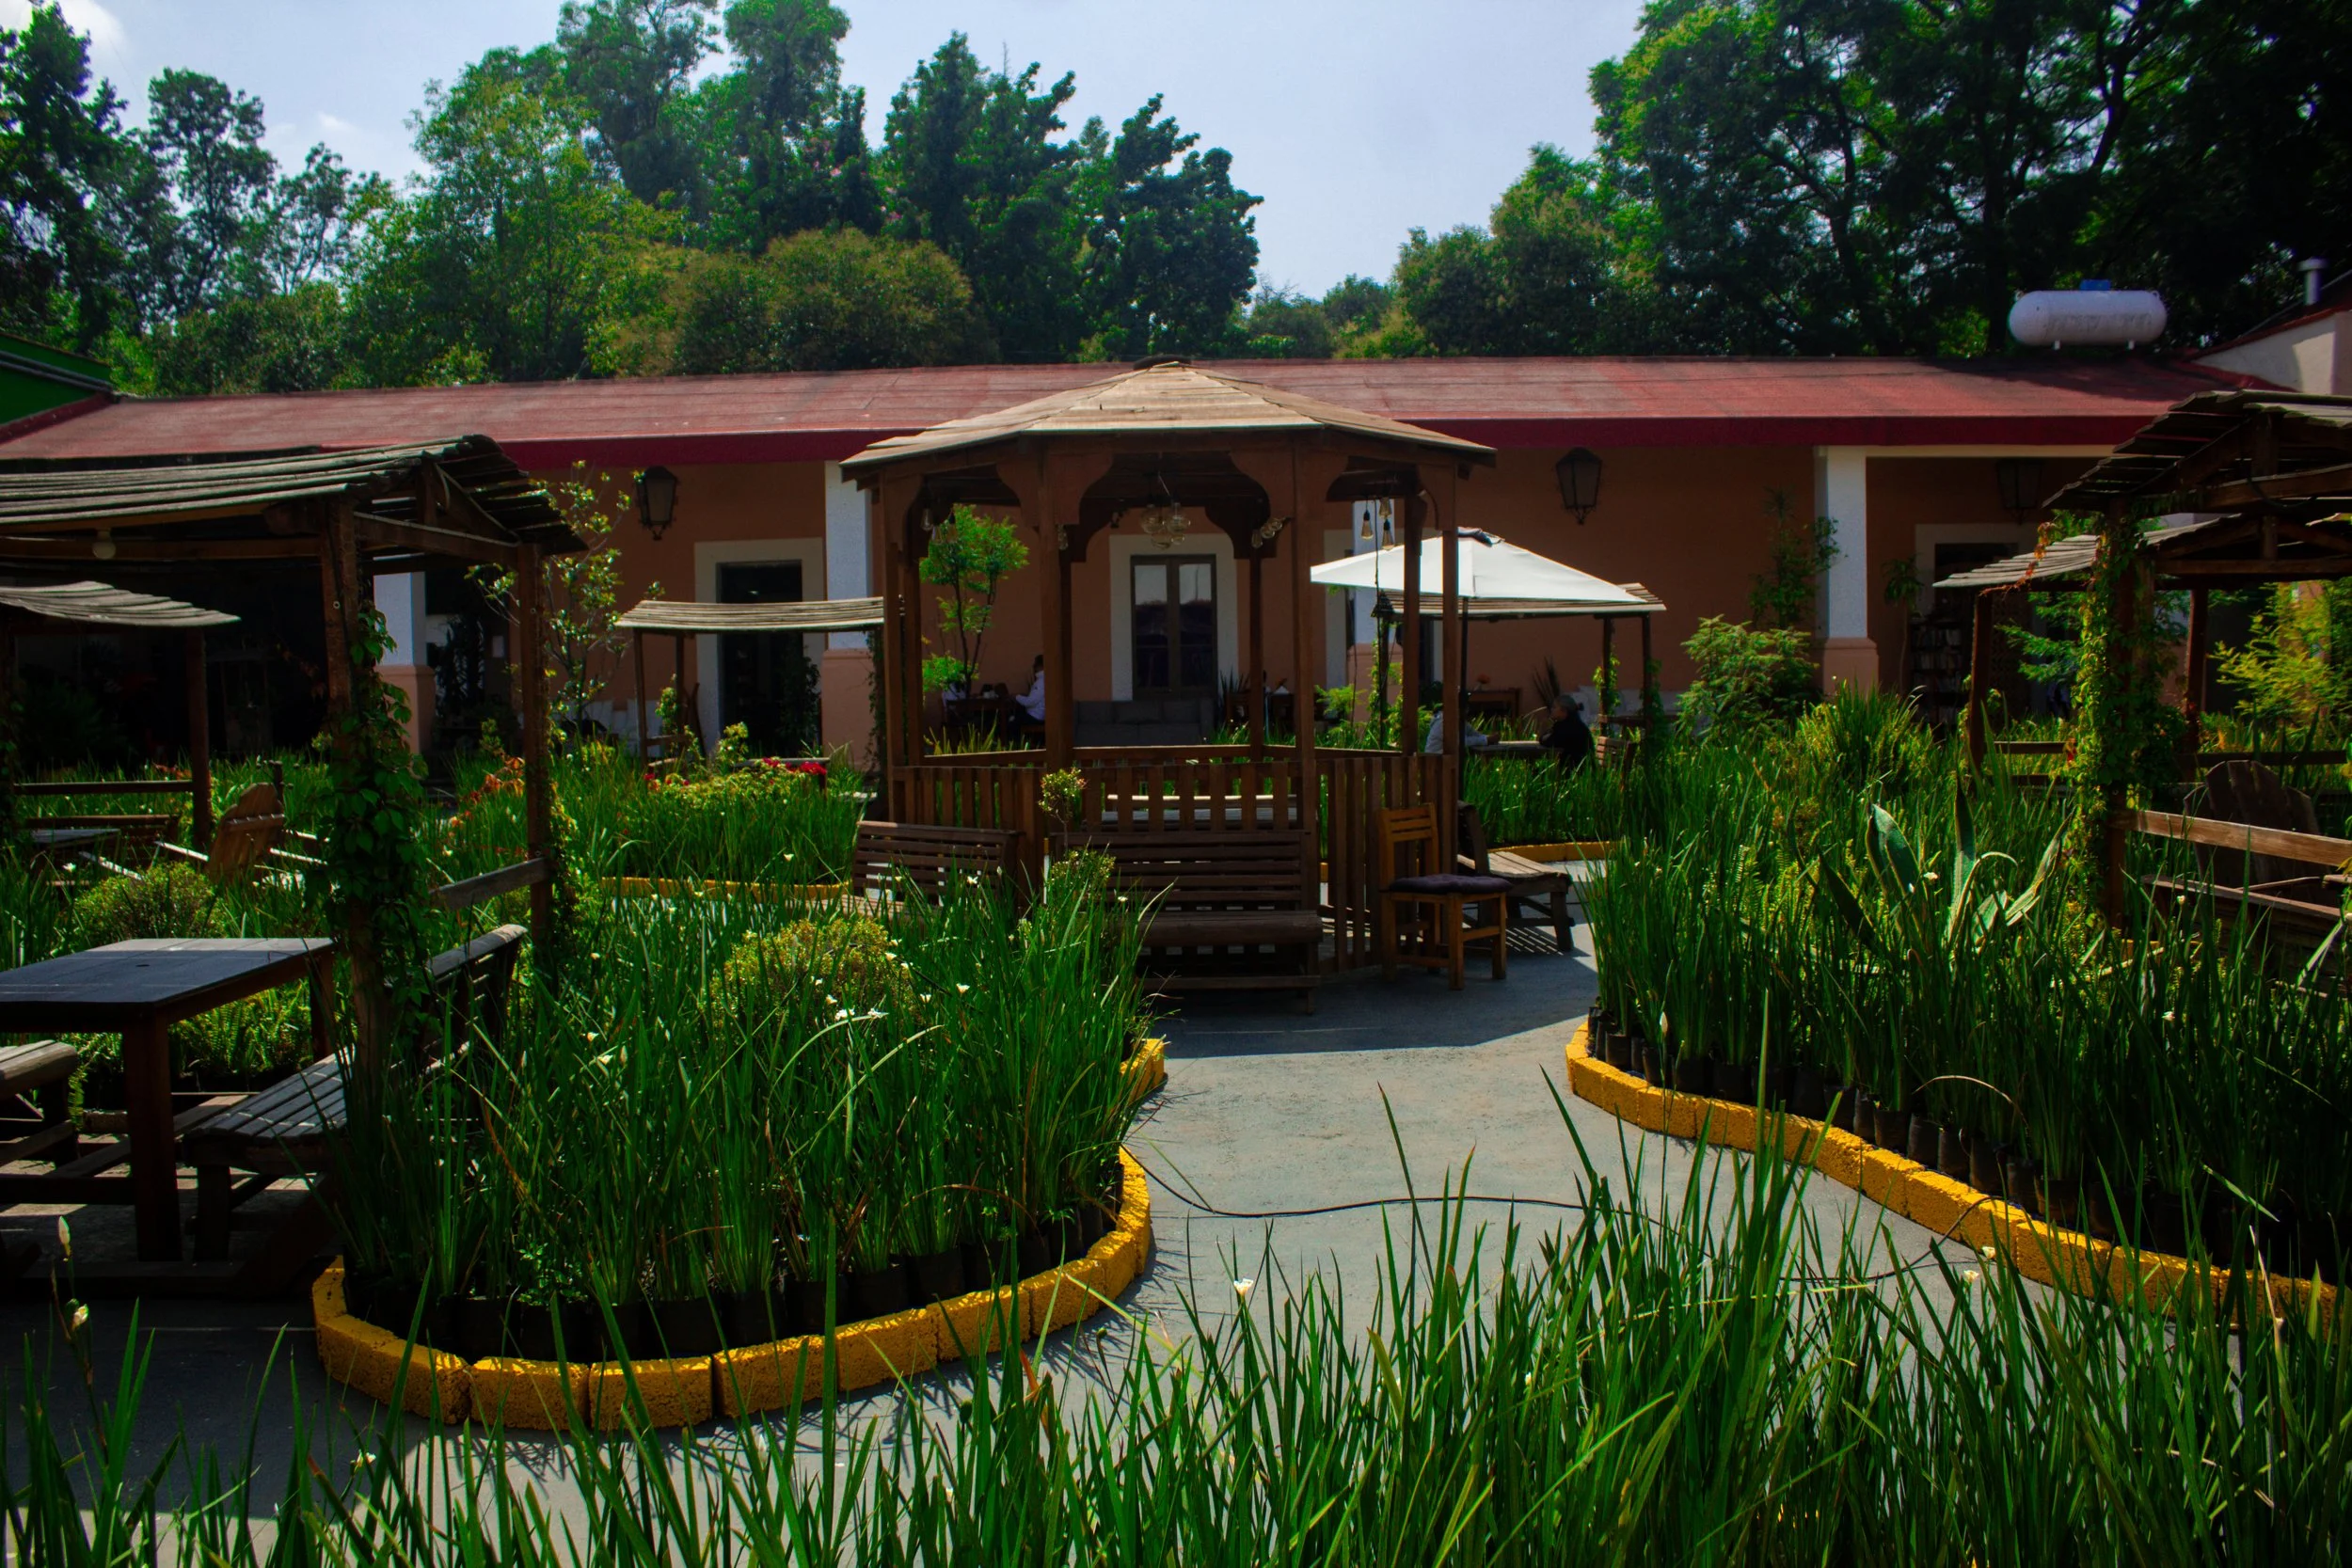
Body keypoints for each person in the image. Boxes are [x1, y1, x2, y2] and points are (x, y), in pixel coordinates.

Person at [1541, 692, 1595, 769]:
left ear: (1564, 711)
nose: (1551, 710)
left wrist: (1546, 735)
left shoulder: (1570, 727)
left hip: (1577, 771)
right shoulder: (1570, 723)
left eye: (1554, 707)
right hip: (1573, 767)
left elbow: (1549, 741)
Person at [1423, 708, 1489, 754]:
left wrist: (1488, 737)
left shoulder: (1459, 720)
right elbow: (1459, 742)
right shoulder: (1443, 721)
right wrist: (1486, 740)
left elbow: (1473, 733)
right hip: (1435, 758)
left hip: (1447, 758)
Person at [1015, 654, 1046, 721]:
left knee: (1013, 722)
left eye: (1035, 664)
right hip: (1038, 715)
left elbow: (1030, 702)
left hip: (1035, 716)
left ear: (1040, 666)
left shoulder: (1041, 682)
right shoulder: (1043, 680)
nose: (1033, 666)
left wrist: (1016, 697)